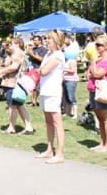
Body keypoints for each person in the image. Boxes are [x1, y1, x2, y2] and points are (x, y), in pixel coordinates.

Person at [35, 30, 66, 165]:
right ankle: (49, 149)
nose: (47, 41)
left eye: (49, 39)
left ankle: (60, 153)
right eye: (46, 38)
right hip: (45, 91)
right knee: (48, 121)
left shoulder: (58, 55)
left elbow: (44, 71)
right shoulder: (48, 54)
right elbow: (42, 69)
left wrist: (41, 71)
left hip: (53, 92)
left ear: (56, 41)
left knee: (56, 122)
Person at [0, 36, 35, 135]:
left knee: (12, 105)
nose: (10, 45)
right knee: (19, 105)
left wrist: (0, 71)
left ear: (17, 44)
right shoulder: (19, 53)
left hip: (13, 83)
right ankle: (28, 127)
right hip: (15, 82)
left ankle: (12, 127)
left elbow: (14, 67)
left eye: (11, 44)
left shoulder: (17, 54)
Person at [86, 33, 107, 153]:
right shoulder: (99, 59)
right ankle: (102, 142)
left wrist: (93, 63)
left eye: (100, 45)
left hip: (102, 91)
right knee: (99, 118)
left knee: (106, 118)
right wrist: (92, 68)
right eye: (96, 44)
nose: (97, 47)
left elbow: (97, 74)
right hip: (94, 90)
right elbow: (89, 74)